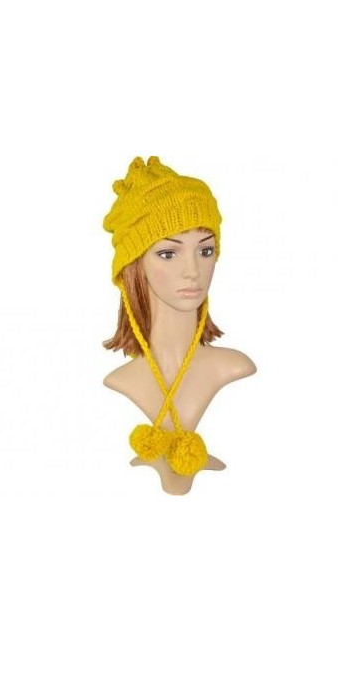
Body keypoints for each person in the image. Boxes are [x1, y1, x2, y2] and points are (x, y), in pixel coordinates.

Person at [102, 156, 256, 495]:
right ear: (133, 265)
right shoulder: (118, 382)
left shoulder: (235, 367)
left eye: (206, 251)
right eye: (168, 253)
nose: (193, 271)